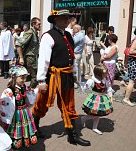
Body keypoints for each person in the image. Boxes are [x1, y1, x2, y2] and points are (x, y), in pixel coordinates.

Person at [32, 9, 91, 146]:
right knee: (41, 103)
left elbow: (71, 57)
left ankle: (72, 135)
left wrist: (75, 75)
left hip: (66, 76)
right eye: (64, 18)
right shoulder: (48, 36)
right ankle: (34, 129)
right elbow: (44, 60)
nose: (67, 20)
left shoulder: (69, 35)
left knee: (69, 105)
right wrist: (41, 80)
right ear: (55, 20)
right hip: (51, 76)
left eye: (67, 18)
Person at [0, 65, 38, 150]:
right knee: (15, 128)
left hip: (24, 112)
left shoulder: (23, 87)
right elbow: (5, 103)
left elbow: (29, 97)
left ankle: (23, 142)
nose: (24, 80)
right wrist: (4, 116)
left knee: (24, 127)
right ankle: (15, 143)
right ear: (14, 77)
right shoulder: (10, 90)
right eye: (22, 78)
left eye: (25, 77)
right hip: (16, 113)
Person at [81, 64, 113, 135]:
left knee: (98, 114)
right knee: (96, 114)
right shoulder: (92, 80)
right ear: (99, 74)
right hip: (95, 99)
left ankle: (94, 127)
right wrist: (84, 86)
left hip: (102, 99)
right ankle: (84, 118)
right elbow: (85, 87)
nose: (106, 75)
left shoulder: (104, 80)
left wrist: (110, 97)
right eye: (104, 74)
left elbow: (109, 88)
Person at [16, 17, 41, 88]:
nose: (40, 26)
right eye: (39, 24)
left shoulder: (35, 33)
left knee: (30, 77)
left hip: (33, 57)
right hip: (29, 58)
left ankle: (27, 90)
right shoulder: (30, 33)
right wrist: (21, 58)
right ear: (33, 24)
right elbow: (18, 44)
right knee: (35, 77)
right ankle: (30, 91)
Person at [72, 24, 85, 88]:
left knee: (75, 68)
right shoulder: (81, 34)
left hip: (76, 54)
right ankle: (78, 81)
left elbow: (72, 42)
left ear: (77, 29)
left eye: (73, 28)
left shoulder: (78, 35)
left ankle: (75, 83)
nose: (73, 30)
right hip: (79, 53)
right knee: (78, 68)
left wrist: (71, 35)